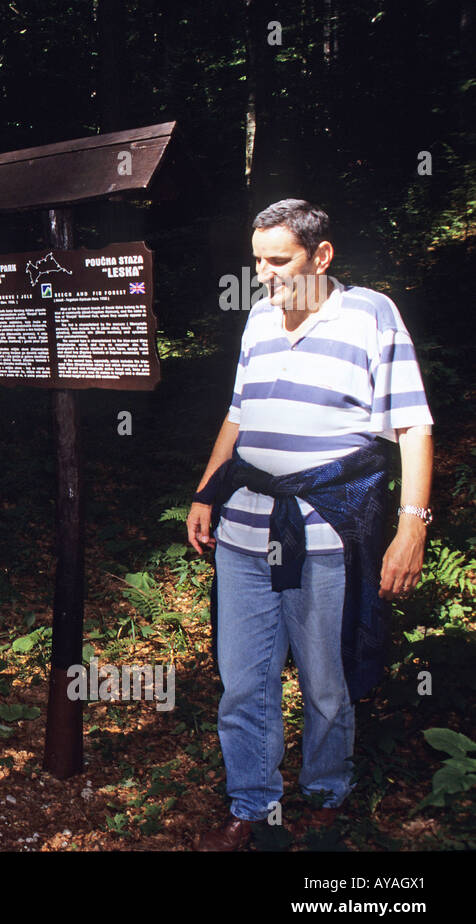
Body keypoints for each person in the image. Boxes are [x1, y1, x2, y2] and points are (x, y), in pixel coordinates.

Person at [186, 199, 434, 851]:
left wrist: (412, 525)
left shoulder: (372, 315)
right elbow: (238, 415)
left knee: (326, 676)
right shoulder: (259, 319)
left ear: (320, 257)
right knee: (243, 677)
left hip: (325, 529)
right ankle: (253, 803)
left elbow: (412, 423)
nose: (264, 274)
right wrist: (207, 490)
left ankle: (326, 791)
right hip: (244, 529)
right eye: (257, 260)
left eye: (279, 260)